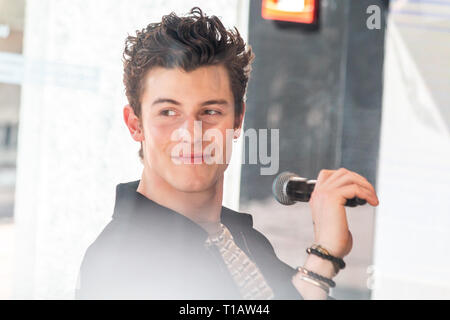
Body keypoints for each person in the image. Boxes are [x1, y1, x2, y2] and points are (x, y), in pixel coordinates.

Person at [76, 7, 379, 300]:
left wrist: (325, 250)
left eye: (210, 111)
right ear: (135, 125)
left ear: (237, 120)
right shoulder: (120, 260)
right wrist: (322, 257)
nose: (193, 133)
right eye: (168, 112)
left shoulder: (242, 238)